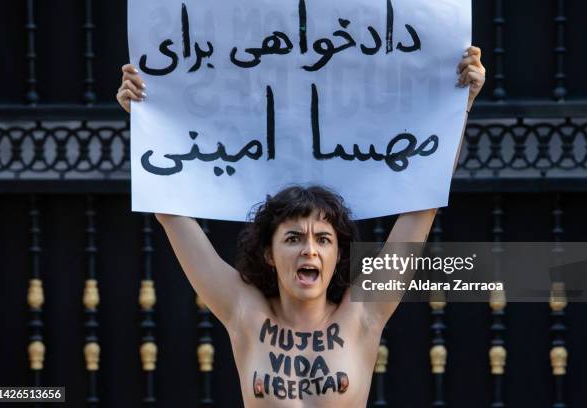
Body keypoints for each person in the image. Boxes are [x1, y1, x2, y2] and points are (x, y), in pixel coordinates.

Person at [117, 46, 485, 406]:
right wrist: (143, 116)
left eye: (323, 239)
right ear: (269, 253)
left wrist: (460, 103)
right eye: (293, 237)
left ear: (337, 253)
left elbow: (423, 209)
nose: (309, 248)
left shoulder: (362, 314)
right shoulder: (244, 311)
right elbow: (170, 214)